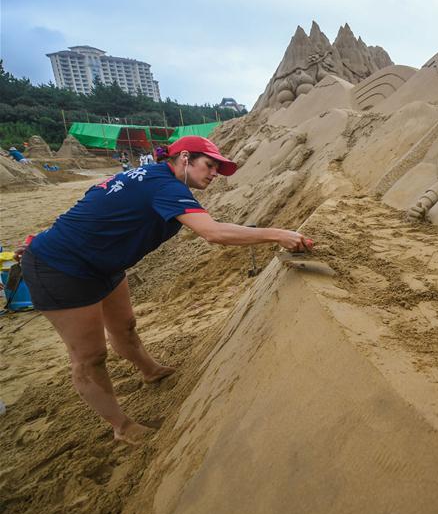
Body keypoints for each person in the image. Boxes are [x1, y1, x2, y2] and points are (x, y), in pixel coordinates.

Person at [19, 135, 313, 445]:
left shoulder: (157, 178)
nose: (214, 174)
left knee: (126, 327)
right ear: (184, 158)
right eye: (210, 165)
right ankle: (121, 426)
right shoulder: (165, 186)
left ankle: (150, 370)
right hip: (61, 269)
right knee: (90, 356)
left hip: (103, 262)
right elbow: (212, 233)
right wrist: (279, 234)